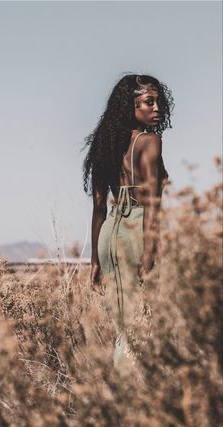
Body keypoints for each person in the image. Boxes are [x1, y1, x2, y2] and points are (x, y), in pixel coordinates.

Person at [82, 74, 174, 372]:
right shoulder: (150, 142)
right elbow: (151, 202)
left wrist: (95, 258)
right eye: (149, 102)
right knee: (139, 322)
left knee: (125, 319)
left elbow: (99, 208)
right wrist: (149, 251)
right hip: (137, 230)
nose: (156, 107)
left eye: (158, 101)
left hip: (109, 236)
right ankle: (132, 394)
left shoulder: (104, 147)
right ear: (130, 107)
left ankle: (124, 391)